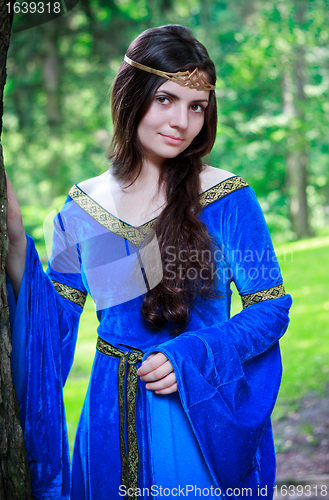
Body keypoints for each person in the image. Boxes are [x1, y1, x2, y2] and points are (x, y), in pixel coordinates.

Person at [6, 24, 292, 500]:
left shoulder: (227, 197)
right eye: (166, 99)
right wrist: (17, 242)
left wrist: (192, 354)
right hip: (108, 422)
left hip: (194, 413)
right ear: (131, 95)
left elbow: (270, 308)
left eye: (196, 106)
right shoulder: (79, 210)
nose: (182, 121)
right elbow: (52, 325)